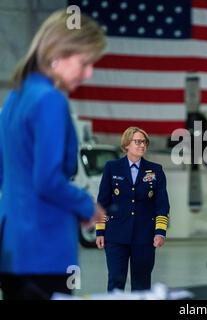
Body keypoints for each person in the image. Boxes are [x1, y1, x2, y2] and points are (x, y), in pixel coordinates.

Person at [0, 10, 106, 299]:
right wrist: (86, 205)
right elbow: (47, 180)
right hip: (45, 247)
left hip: (12, 248)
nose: (89, 73)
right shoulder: (50, 101)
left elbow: (3, 173)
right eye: (85, 63)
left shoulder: (14, 98)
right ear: (57, 54)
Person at [96, 127, 170, 292]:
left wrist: (160, 232)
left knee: (142, 284)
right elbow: (103, 203)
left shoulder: (155, 170)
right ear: (127, 144)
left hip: (144, 237)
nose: (142, 145)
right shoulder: (112, 167)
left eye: (144, 142)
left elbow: (162, 204)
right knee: (115, 281)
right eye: (137, 141)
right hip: (115, 235)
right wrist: (100, 231)